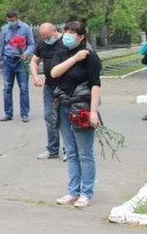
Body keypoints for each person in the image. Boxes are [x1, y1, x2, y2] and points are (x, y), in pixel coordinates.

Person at [50, 21, 102, 208]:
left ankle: (86, 193)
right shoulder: (61, 53)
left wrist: (93, 112)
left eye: (73, 32)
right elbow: (54, 73)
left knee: (84, 153)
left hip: (82, 107)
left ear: (81, 37)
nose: (68, 35)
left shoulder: (90, 56)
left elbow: (95, 84)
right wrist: (74, 59)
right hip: (63, 105)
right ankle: (73, 191)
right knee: (71, 152)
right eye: (67, 31)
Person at [31, 23, 67, 160]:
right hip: (49, 85)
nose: (46, 40)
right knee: (48, 116)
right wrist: (36, 77)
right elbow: (34, 61)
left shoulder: (65, 43)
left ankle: (68, 149)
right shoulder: (42, 44)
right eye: (43, 37)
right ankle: (52, 149)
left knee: (65, 117)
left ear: (55, 31)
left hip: (65, 85)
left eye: (48, 37)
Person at [0, 10, 35, 122]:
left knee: (23, 88)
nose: (11, 22)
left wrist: (25, 54)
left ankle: (24, 113)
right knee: (7, 88)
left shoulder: (26, 28)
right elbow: (1, 46)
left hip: (20, 62)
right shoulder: (4, 29)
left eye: (13, 20)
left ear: (18, 18)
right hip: (8, 61)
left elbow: (32, 44)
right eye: (9, 20)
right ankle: (8, 113)